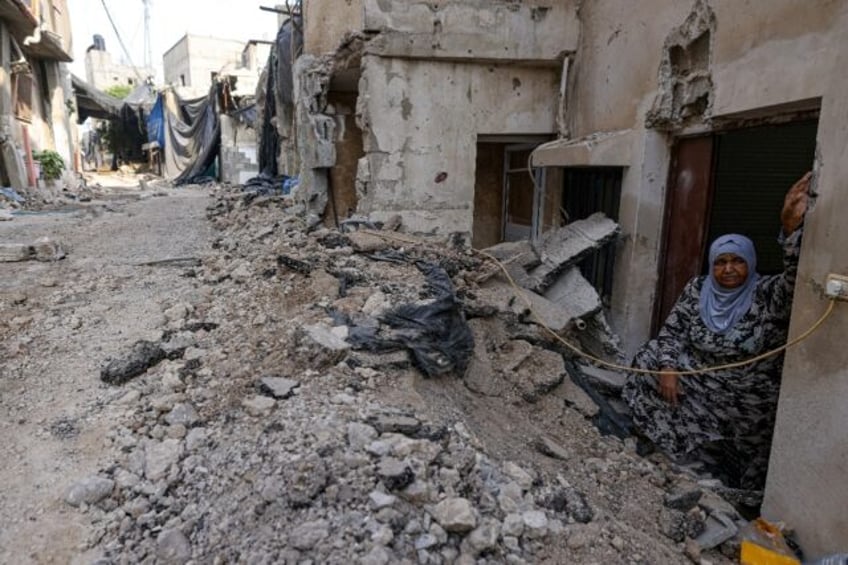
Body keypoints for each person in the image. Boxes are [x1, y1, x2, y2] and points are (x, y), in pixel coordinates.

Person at [622, 172, 812, 491]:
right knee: (648, 359)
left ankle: (730, 475)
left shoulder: (769, 294)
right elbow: (672, 333)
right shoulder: (698, 289)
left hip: (745, 392)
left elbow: (796, 277)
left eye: (737, 261)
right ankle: (673, 448)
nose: (727, 269)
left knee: (750, 431)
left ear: (750, 263)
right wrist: (668, 368)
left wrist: (791, 229)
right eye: (720, 262)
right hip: (698, 374)